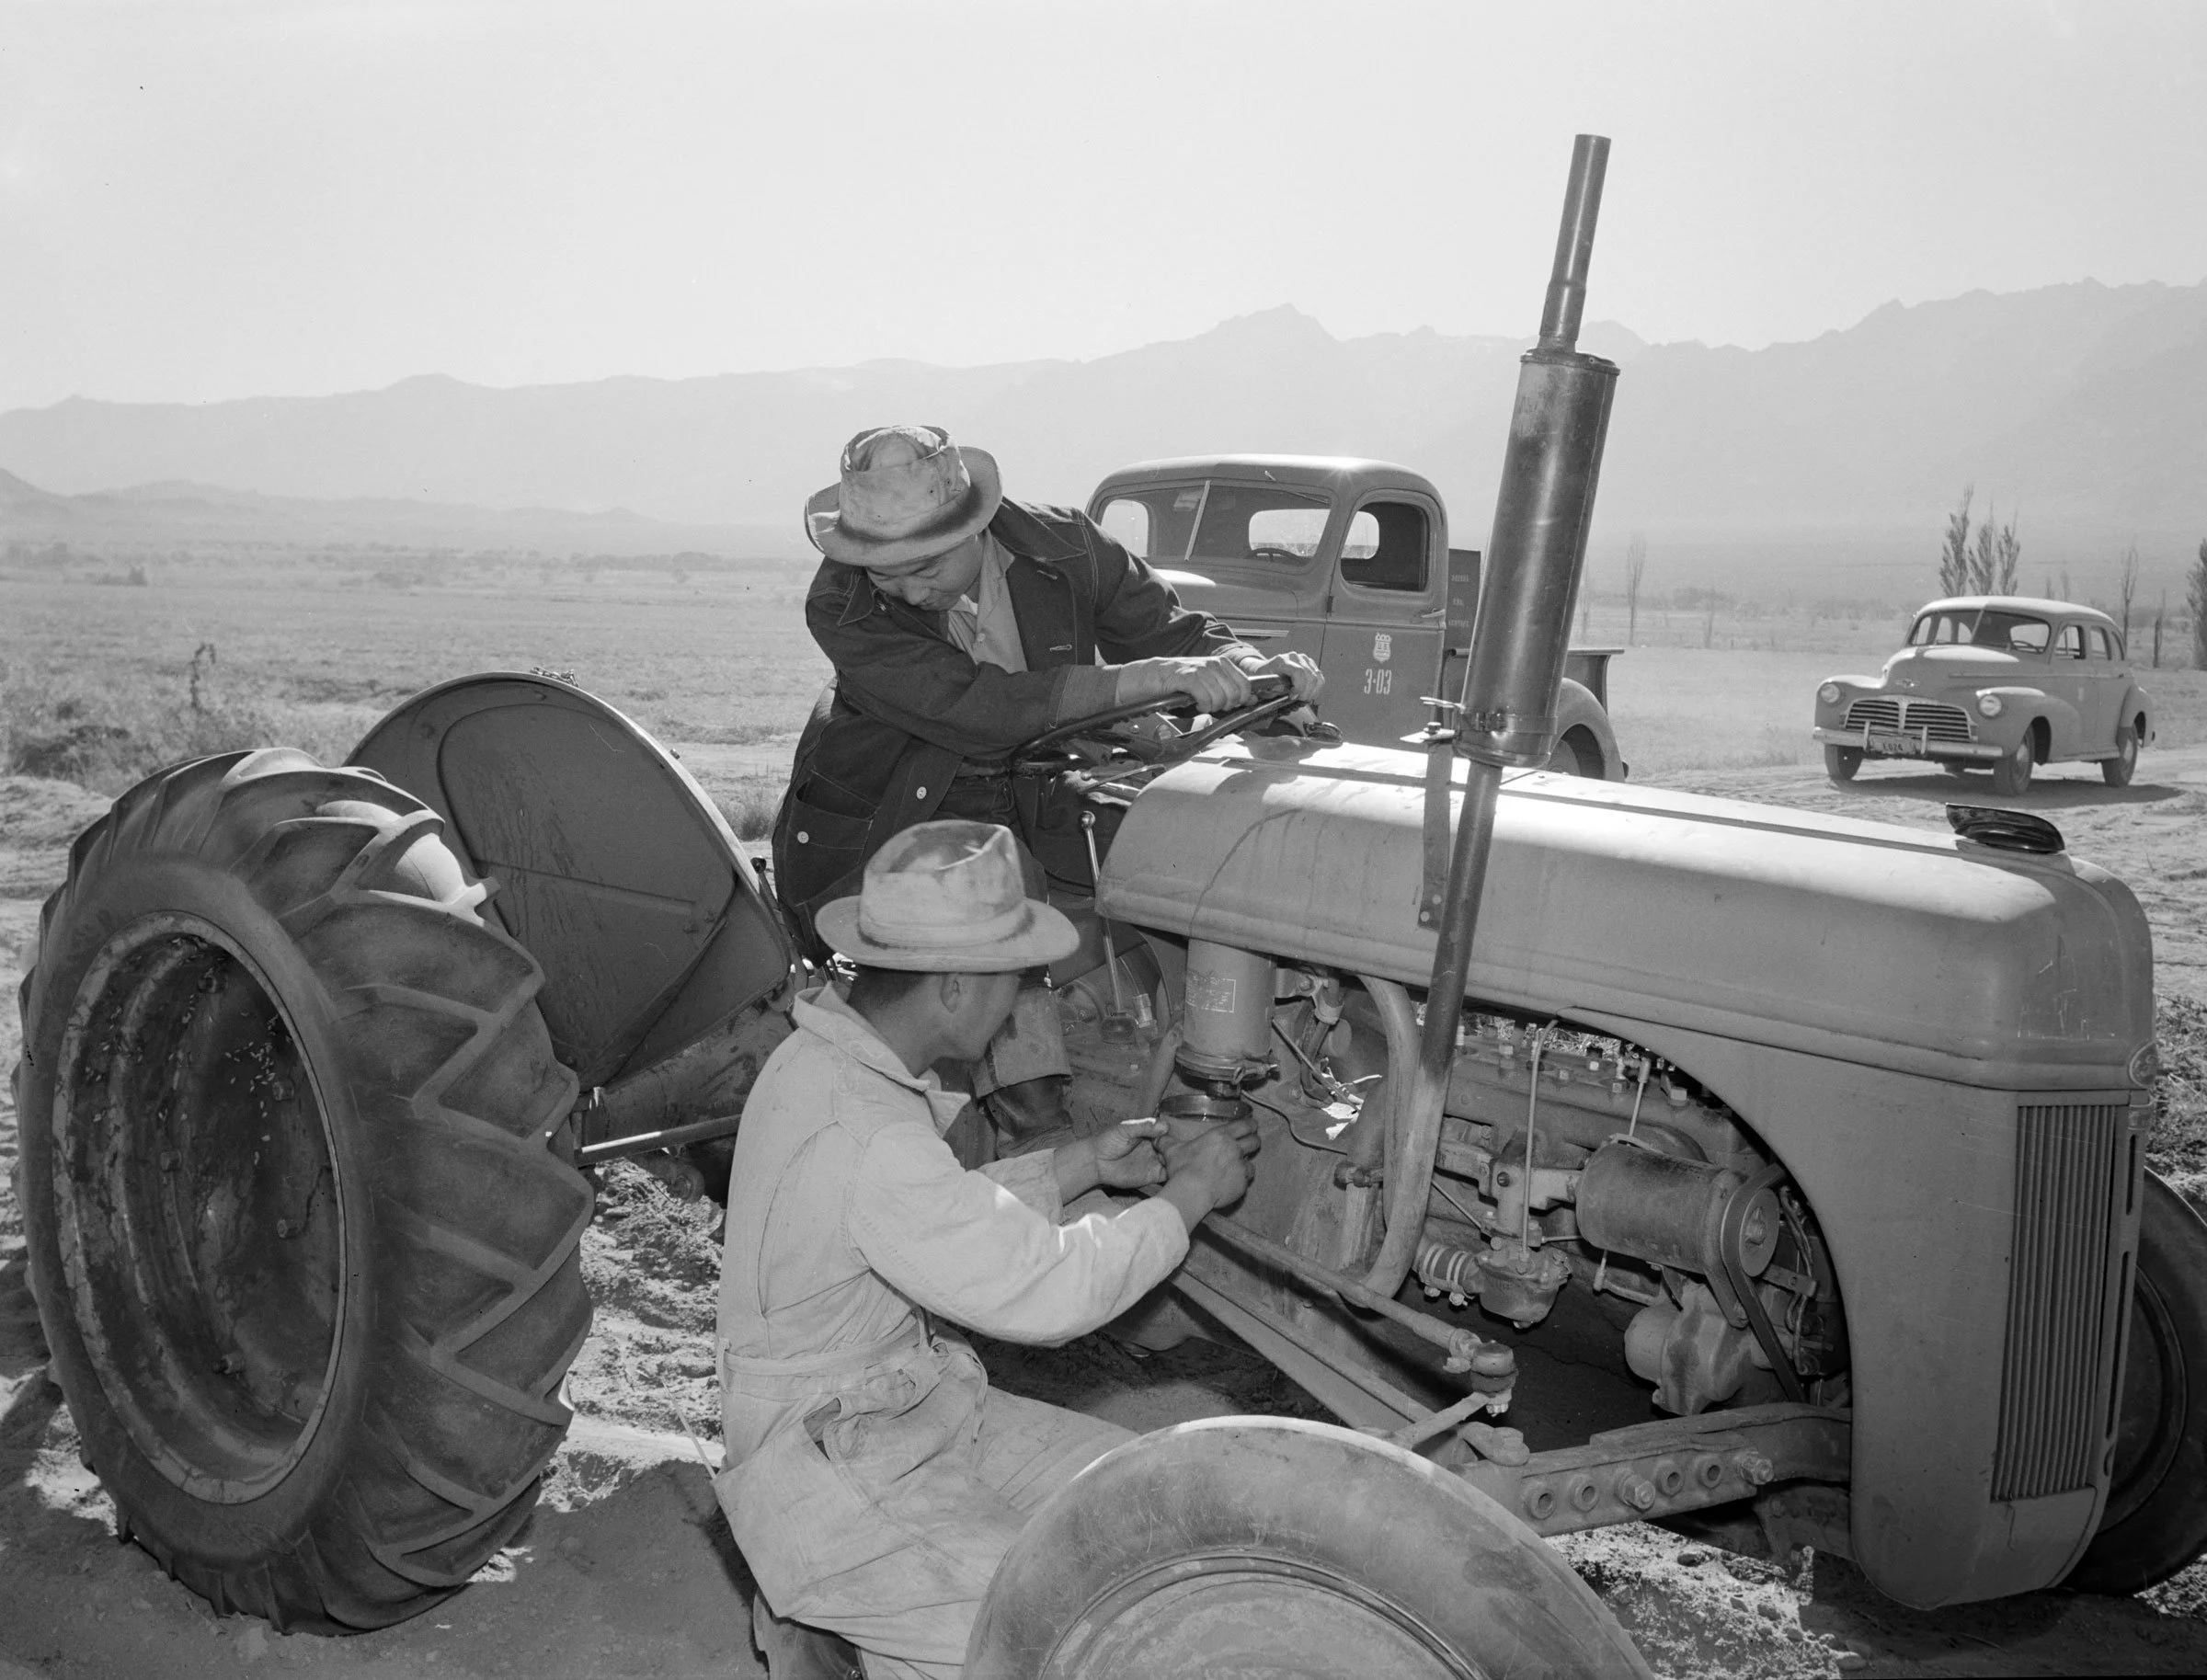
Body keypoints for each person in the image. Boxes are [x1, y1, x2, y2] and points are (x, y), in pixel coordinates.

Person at [715, 820, 1260, 1680]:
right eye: (1019, 978)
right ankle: (844, 1621)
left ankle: (867, 1629)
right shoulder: (863, 1130)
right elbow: (1049, 1292)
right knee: (1068, 1630)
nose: (1023, 1000)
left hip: (904, 1403)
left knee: (1151, 1507)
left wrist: (1081, 1163)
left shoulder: (828, 1065)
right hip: (828, 1460)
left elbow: (936, 1215)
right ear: (958, 986)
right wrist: (1189, 1197)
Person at [772, 424, 1321, 1149]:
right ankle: (1039, 1141)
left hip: (1040, 788)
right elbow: (976, 708)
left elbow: (1175, 631)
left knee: (1189, 867)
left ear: (973, 522)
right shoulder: (841, 604)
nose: (906, 587)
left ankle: (1215, 1053)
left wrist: (1255, 669)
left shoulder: (1066, 547)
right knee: (1000, 903)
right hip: (900, 809)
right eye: (885, 571)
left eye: (924, 563)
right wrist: (1149, 678)